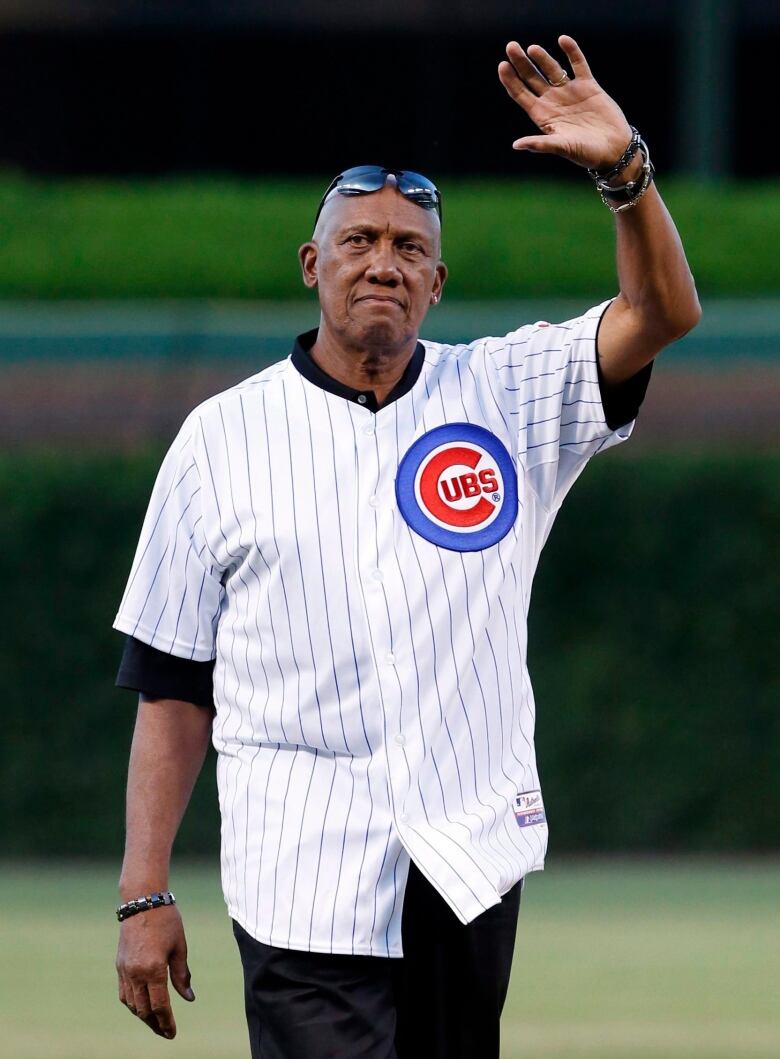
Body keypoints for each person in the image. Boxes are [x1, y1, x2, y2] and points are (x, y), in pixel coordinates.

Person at [113, 34, 700, 1059]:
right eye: (358, 240)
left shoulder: (509, 396)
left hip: (465, 865)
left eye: (409, 247)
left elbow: (663, 312)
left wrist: (624, 173)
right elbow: (171, 680)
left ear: (436, 281)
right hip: (300, 874)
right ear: (313, 265)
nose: (383, 259)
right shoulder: (219, 440)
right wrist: (141, 893)